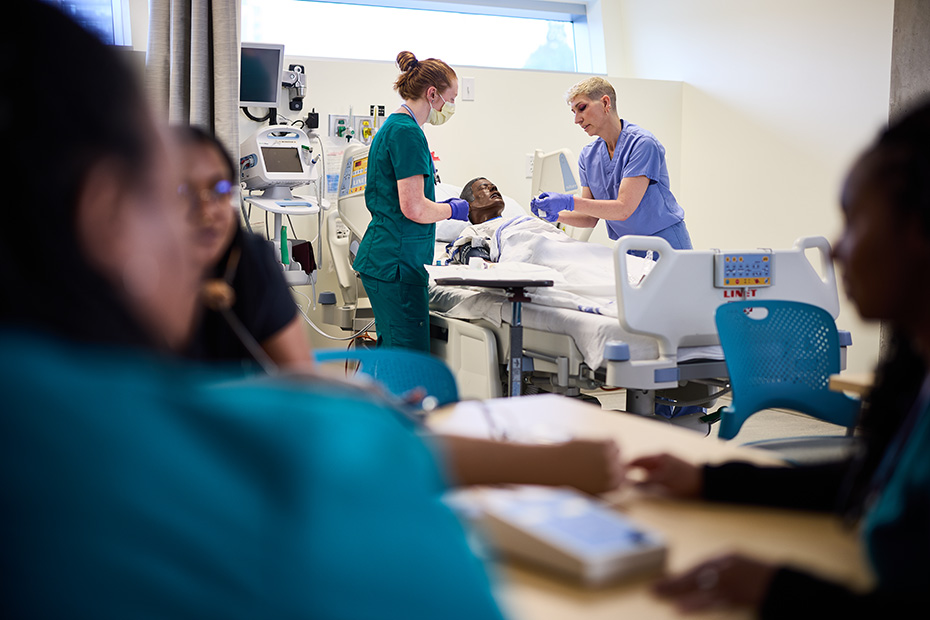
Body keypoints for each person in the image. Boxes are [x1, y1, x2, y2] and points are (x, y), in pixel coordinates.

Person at [2, 4, 507, 617]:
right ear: (104, 212)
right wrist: (372, 431)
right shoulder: (309, 474)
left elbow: (292, 388)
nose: (204, 220)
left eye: (220, 192)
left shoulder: (244, 270)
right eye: (169, 196)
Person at [627, 100, 930, 616]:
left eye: (855, 221)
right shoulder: (916, 377)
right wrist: (709, 480)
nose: (836, 251)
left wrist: (778, 589)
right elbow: (867, 479)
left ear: (920, 230)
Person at [353, 51, 470, 352]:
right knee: (407, 358)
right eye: (450, 99)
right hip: (396, 264)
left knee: (395, 353)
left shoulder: (397, 127)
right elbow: (414, 207)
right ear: (432, 94)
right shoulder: (407, 133)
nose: (450, 107)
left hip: (392, 260)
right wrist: (454, 210)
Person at [174, 125, 315, 371]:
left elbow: (300, 378)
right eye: (184, 192)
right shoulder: (127, 270)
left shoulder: (252, 260)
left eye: (219, 190)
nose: (206, 212)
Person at [531, 77, 694, 252]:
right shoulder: (588, 156)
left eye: (582, 108)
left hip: (665, 245)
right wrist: (555, 215)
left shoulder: (642, 144)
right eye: (574, 112)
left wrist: (568, 201)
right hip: (628, 247)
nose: (577, 120)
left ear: (605, 103)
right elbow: (589, 218)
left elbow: (623, 209)